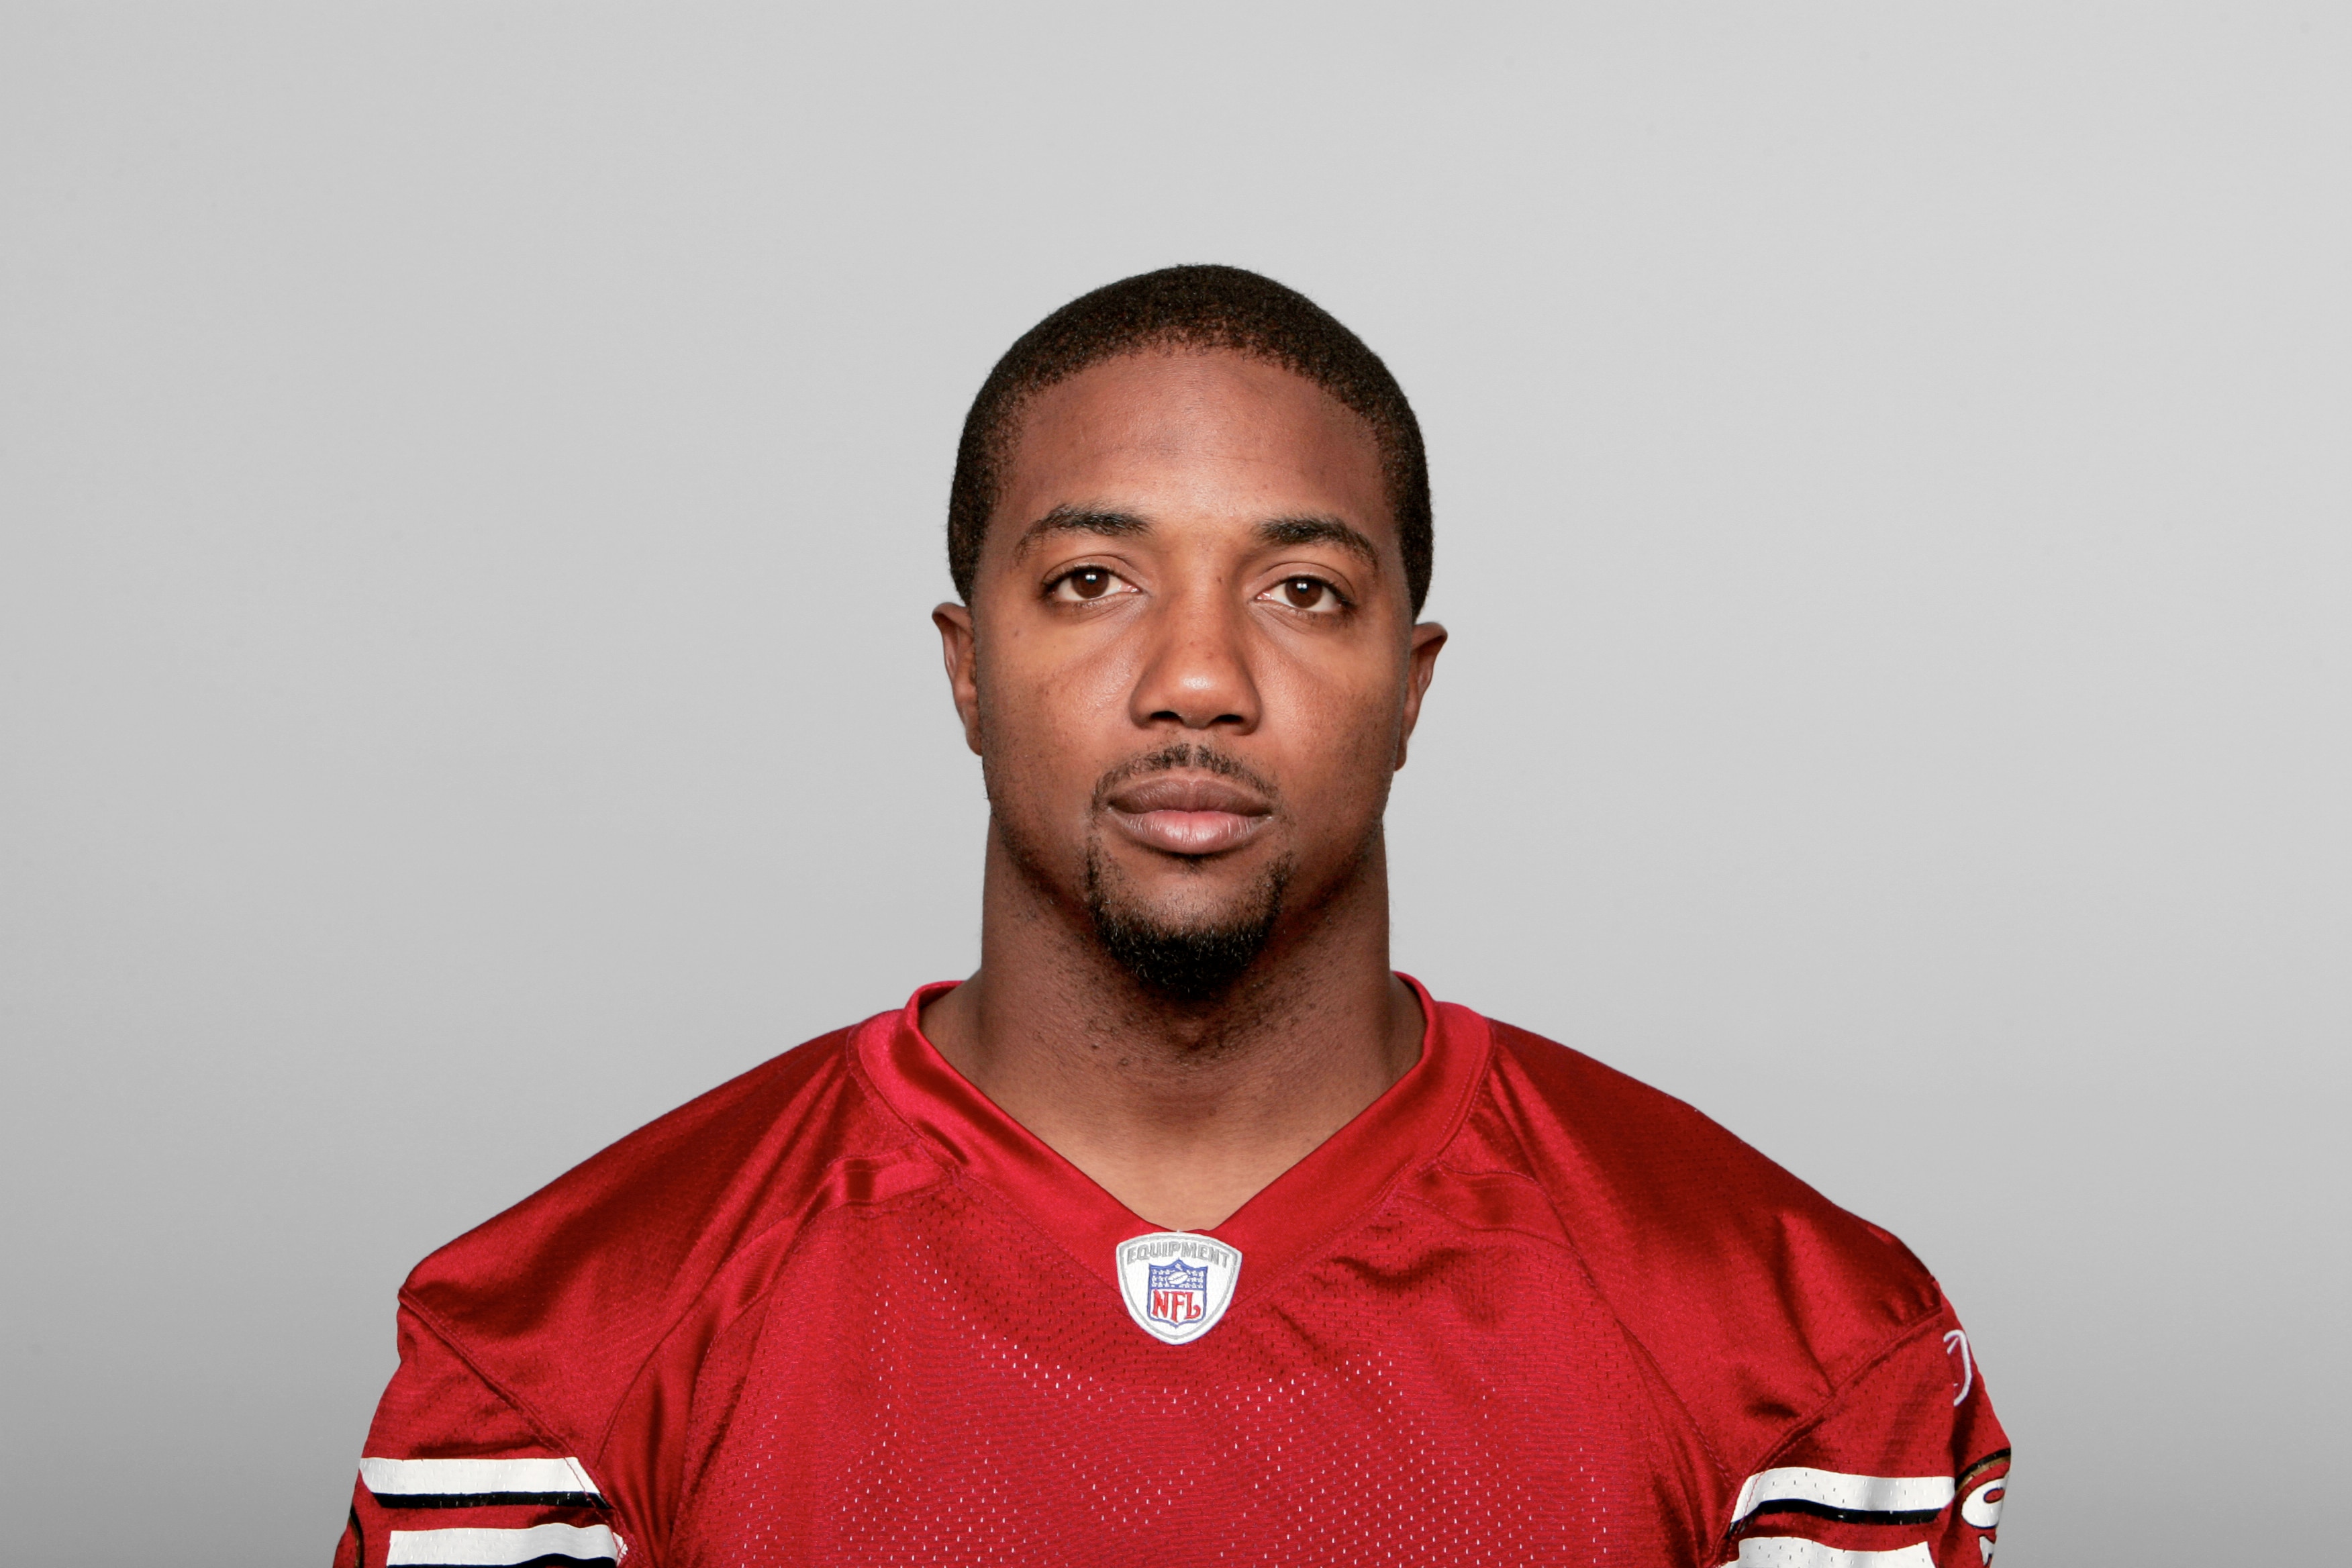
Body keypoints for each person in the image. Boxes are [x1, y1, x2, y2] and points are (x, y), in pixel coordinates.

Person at [336, 265, 2009, 1568]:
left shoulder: (1799, 1351)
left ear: (1409, 685)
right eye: (1091, 581)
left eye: (1302, 591)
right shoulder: (556, 1356)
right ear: (967, 666)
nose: (1198, 678)